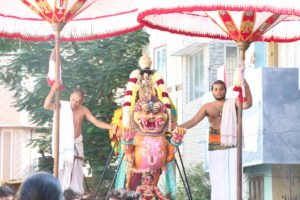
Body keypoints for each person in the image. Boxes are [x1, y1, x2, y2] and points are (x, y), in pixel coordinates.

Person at [180, 79, 252, 200]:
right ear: (212, 91)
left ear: (225, 90)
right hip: (215, 143)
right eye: (216, 89)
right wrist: (177, 128)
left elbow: (248, 104)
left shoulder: (234, 102)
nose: (219, 92)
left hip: (232, 142)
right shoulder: (207, 107)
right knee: (217, 176)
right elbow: (193, 121)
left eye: (221, 89)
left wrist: (246, 85)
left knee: (234, 175)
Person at [44, 81, 116, 195]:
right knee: (64, 166)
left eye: (78, 101)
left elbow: (96, 122)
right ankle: (62, 191)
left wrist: (112, 127)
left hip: (77, 142)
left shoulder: (84, 110)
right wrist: (53, 89)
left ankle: (76, 192)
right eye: (73, 100)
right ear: (70, 97)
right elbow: (46, 105)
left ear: (81, 101)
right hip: (64, 143)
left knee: (77, 166)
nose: (75, 103)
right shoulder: (62, 105)